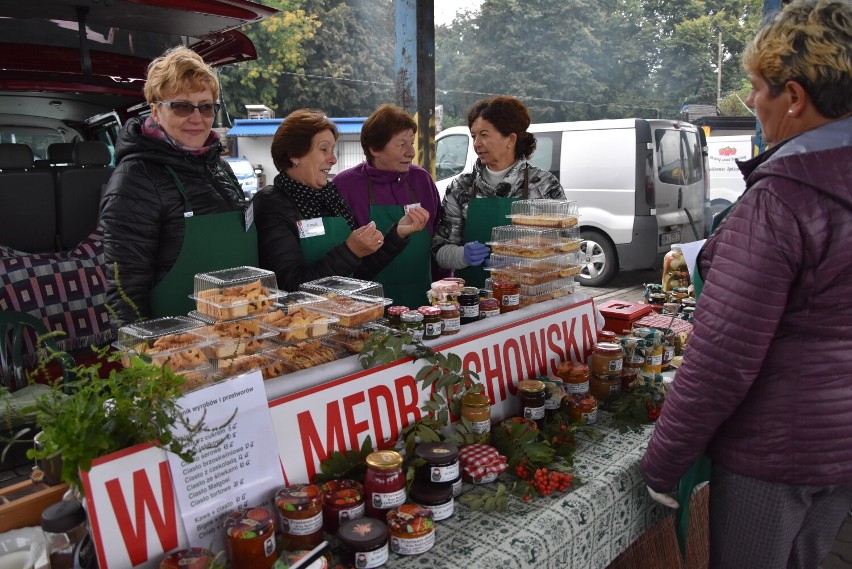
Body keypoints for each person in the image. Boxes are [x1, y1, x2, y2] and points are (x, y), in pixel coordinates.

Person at [640, 1, 852, 568]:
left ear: (795, 96)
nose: (753, 102)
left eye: (758, 88)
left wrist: (665, 463)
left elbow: (722, 355)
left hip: (777, 452)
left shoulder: (783, 195)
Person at [101, 46, 253, 327]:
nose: (197, 118)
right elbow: (125, 291)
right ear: (156, 111)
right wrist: (144, 360)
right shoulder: (135, 179)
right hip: (178, 344)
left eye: (205, 106)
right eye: (182, 106)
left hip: (238, 328)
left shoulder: (220, 168)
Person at [253, 109, 430, 291]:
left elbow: (358, 273)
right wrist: (350, 251)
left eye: (333, 150)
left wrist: (397, 235)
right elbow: (286, 285)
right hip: (306, 318)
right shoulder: (272, 204)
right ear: (294, 155)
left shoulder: (331, 197)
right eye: (323, 149)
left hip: (344, 314)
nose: (333, 159)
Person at [431, 96, 565, 289]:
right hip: (474, 303)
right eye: (474, 136)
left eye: (484, 135)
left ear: (510, 139)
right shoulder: (461, 187)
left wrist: (522, 263)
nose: (476, 144)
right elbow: (439, 250)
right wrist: (462, 256)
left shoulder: (544, 186)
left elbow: (564, 251)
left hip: (530, 300)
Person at [334, 104, 443, 308]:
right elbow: (341, 256)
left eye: (411, 143)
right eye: (402, 144)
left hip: (422, 301)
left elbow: (438, 238)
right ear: (374, 148)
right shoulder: (346, 185)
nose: (411, 152)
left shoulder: (422, 180)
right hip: (367, 305)